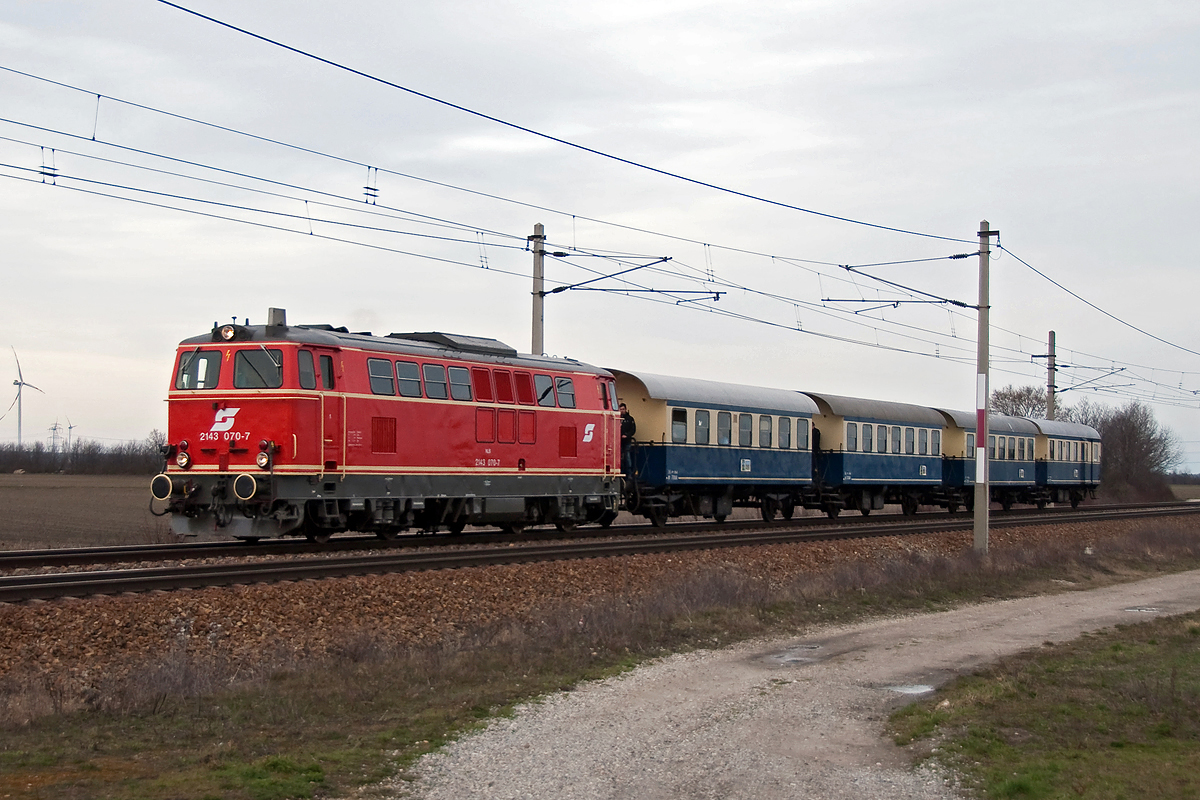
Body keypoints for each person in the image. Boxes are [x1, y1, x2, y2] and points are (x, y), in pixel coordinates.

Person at [619, 403, 636, 475]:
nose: (622, 411)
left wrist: (626, 435)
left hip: (627, 441)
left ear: (626, 409)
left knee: (627, 456)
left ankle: (629, 473)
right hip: (618, 441)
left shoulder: (630, 419)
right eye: (621, 409)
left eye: (623, 409)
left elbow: (633, 430)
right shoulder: (618, 418)